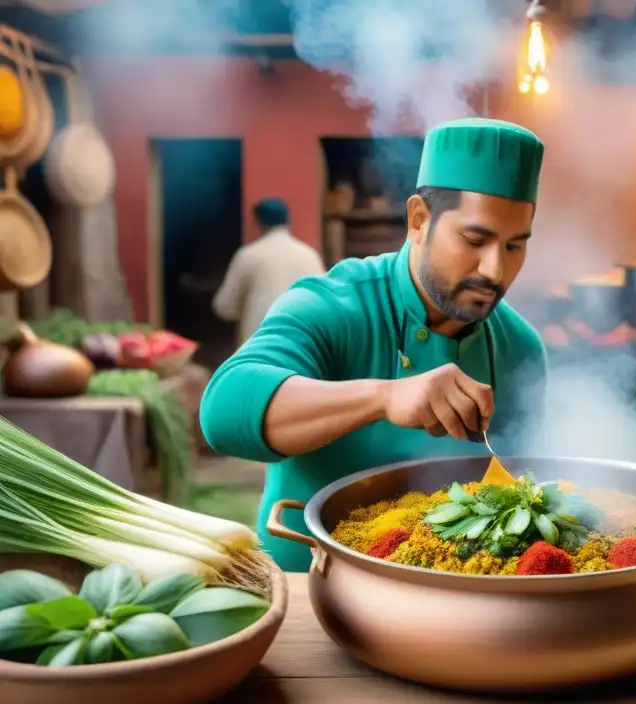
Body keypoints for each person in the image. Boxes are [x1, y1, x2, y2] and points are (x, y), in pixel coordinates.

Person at [200, 118, 548, 571]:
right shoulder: (335, 304)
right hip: (312, 589)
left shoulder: (518, 349)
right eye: (475, 239)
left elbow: (521, 496)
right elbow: (223, 411)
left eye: (514, 247)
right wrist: (385, 396)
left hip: (457, 601)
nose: (495, 271)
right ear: (420, 221)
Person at [212, 198, 325, 345]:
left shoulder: (249, 255)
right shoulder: (309, 255)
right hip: (304, 343)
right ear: (287, 221)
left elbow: (225, 307)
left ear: (257, 223)